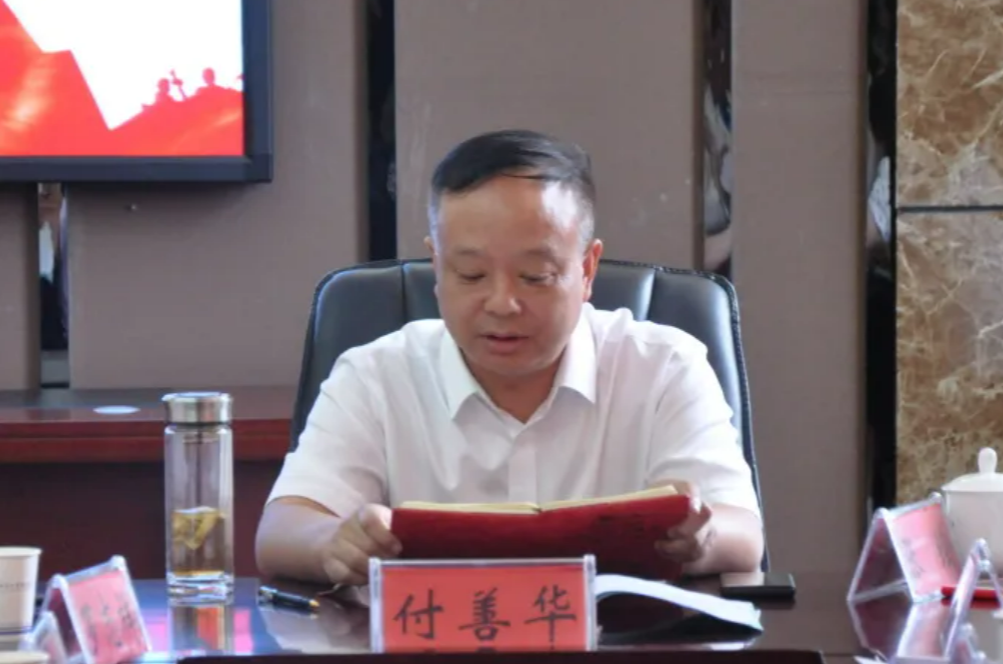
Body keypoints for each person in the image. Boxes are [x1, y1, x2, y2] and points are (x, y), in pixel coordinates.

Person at [255, 129, 765, 585]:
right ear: (437, 266)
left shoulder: (663, 366)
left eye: (535, 277)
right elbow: (283, 529)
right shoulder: (376, 374)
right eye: (471, 275)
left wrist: (701, 537)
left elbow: (742, 533)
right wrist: (333, 543)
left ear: (587, 270)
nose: (502, 304)